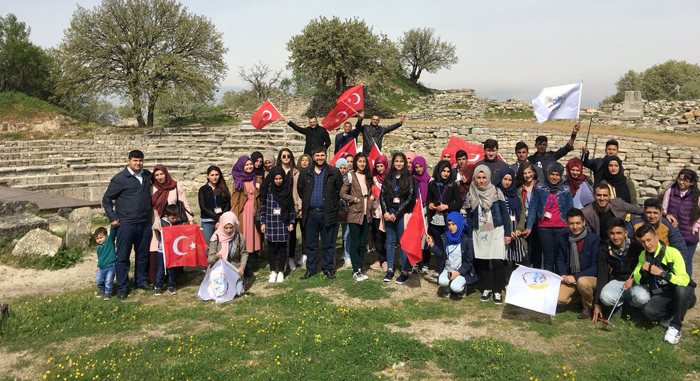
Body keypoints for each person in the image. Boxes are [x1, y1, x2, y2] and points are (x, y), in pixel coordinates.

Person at [101, 150, 153, 300]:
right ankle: (123, 287)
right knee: (123, 256)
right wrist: (112, 217)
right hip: (126, 224)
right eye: (135, 160)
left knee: (142, 254)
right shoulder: (120, 178)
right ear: (129, 161)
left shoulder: (147, 175)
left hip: (144, 222)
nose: (138, 163)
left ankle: (141, 281)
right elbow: (106, 199)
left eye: (140, 161)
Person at [633, 225, 696, 345]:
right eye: (643, 242)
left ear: (656, 237)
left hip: (680, 292)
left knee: (682, 290)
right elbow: (637, 278)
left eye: (649, 240)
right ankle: (672, 315)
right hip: (662, 294)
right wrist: (641, 271)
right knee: (650, 311)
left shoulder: (672, 253)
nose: (647, 245)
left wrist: (662, 274)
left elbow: (684, 280)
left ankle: (676, 327)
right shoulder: (643, 255)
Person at [466, 165, 511, 305]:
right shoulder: (471, 193)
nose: (481, 181)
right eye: (478, 177)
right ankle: (487, 287)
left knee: (498, 261)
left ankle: (497, 290)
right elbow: (468, 216)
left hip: (496, 229)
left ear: (488, 177)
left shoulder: (496, 192)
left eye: (484, 177)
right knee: (483, 261)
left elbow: (505, 213)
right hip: (479, 230)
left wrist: (508, 233)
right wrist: (469, 235)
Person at [298, 147, 343, 280]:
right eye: (317, 155)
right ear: (313, 156)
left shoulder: (333, 172)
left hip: (327, 213)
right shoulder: (305, 172)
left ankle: (327, 268)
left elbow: (338, 190)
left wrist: (331, 203)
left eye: (322, 155)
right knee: (311, 244)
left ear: (325, 156)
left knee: (328, 243)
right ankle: (310, 269)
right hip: (310, 213)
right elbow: (301, 190)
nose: (320, 158)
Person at [591, 217, 646, 323]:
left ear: (625, 233)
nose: (615, 237)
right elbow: (602, 275)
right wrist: (596, 303)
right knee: (605, 297)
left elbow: (643, 271)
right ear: (608, 233)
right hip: (617, 281)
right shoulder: (603, 249)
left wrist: (634, 279)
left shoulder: (637, 247)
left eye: (619, 233)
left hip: (634, 281)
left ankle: (634, 307)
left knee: (641, 297)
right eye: (612, 233)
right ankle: (620, 305)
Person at [522, 162, 574, 272]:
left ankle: (560, 281)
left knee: (560, 257)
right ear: (547, 174)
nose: (554, 177)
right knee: (548, 258)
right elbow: (533, 208)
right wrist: (529, 227)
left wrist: (572, 226)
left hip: (562, 227)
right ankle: (548, 281)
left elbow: (570, 208)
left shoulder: (566, 189)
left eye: (557, 175)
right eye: (552, 174)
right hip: (544, 228)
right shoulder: (540, 188)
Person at [149, 164, 193, 283]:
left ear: (166, 173)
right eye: (156, 175)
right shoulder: (151, 188)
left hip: (173, 224)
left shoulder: (175, 186)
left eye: (161, 174)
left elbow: (184, 203)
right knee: (157, 247)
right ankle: (157, 278)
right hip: (157, 222)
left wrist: (190, 219)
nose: (159, 177)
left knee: (173, 247)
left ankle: (173, 277)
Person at [556, 208, 600, 319]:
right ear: (567, 224)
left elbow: (595, 267)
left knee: (582, 282)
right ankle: (580, 298)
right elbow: (560, 259)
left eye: (578, 223)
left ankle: (587, 307)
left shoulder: (594, 239)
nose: (575, 227)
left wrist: (575, 277)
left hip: (588, 278)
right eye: (571, 223)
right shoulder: (563, 238)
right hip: (571, 276)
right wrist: (563, 274)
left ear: (584, 222)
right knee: (559, 299)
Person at [380, 152, 416, 284]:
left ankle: (404, 271)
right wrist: (385, 212)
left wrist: (397, 213)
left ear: (405, 163)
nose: (399, 163)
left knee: (403, 243)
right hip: (390, 213)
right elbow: (382, 195)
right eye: (396, 161)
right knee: (389, 242)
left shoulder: (410, 178)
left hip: (402, 214)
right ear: (393, 163)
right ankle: (390, 270)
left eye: (401, 161)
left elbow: (410, 198)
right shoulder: (389, 177)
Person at [426, 212, 478, 297]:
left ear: (459, 223)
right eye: (449, 224)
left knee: (456, 287)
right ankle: (447, 287)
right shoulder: (445, 237)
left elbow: (469, 261)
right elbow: (442, 255)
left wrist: (457, 273)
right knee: (442, 281)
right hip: (448, 269)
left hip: (461, 271)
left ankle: (463, 287)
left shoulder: (466, 240)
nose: (451, 227)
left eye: (453, 224)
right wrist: (432, 244)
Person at [340, 152, 374, 281]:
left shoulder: (368, 176)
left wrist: (370, 200)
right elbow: (342, 193)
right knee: (354, 242)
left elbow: (371, 192)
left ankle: (360, 267)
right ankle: (355, 270)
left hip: (367, 213)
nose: (362, 164)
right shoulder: (350, 176)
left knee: (362, 242)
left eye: (364, 161)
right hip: (355, 213)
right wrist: (353, 199)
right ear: (356, 163)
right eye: (359, 161)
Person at [260, 167, 296, 283]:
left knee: (282, 247)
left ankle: (280, 270)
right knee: (270, 247)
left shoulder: (286, 190)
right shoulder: (268, 190)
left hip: (283, 221)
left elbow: (291, 207)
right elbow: (263, 207)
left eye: (280, 178)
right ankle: (272, 270)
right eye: (276, 179)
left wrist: (291, 222)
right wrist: (263, 222)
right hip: (270, 221)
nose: (278, 181)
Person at [426, 160, 461, 276]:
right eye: (443, 171)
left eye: (448, 171)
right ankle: (439, 269)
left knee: (446, 245)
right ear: (439, 171)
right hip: (435, 220)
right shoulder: (432, 184)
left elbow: (459, 203)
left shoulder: (453, 185)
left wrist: (446, 206)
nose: (446, 174)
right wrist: (430, 204)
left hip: (447, 220)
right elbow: (428, 199)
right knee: (438, 245)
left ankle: (446, 268)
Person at [662, 169, 700, 277]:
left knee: (687, 260)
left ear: (692, 182)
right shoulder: (670, 191)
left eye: (685, 180)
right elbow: (663, 209)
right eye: (680, 179)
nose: (681, 182)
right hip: (672, 232)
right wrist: (666, 215)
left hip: (689, 233)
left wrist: (695, 228)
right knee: (670, 260)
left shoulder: (697, 196)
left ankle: (687, 287)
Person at [230, 156, 262, 275]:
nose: (249, 167)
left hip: (254, 213)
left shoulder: (256, 179)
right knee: (244, 240)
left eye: (250, 164)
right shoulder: (238, 181)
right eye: (246, 165)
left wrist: (260, 188)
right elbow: (234, 202)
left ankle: (249, 264)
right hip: (243, 214)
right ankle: (242, 265)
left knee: (253, 238)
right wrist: (234, 217)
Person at [495, 168, 528, 271]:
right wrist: (507, 232)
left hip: (516, 230)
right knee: (503, 258)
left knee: (519, 257)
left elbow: (522, 212)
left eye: (510, 180)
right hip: (502, 230)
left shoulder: (516, 193)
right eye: (505, 179)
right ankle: (504, 281)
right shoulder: (495, 193)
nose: (507, 182)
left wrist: (519, 229)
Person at [277, 148, 301, 271]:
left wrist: (299, 207)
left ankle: (291, 258)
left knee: (291, 234)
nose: (286, 158)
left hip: (292, 206)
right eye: (284, 156)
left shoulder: (296, 172)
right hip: (279, 206)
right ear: (280, 158)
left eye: (288, 156)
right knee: (280, 234)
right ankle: (282, 259)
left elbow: (298, 191)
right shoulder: (276, 171)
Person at [152, 204, 183, 295]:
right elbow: (153, 226)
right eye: (172, 218)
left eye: (176, 218)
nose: (174, 220)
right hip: (162, 250)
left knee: (172, 269)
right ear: (166, 216)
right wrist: (158, 228)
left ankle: (171, 285)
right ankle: (158, 286)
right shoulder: (162, 221)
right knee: (161, 269)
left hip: (173, 250)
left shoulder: (179, 222)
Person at [207, 212, 247, 279]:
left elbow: (244, 253)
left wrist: (242, 267)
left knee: (237, 289)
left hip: (234, 268)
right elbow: (209, 260)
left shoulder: (239, 237)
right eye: (226, 228)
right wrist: (215, 257)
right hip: (217, 269)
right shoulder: (216, 237)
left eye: (231, 227)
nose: (228, 231)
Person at [516, 161, 541, 268]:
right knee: (526, 250)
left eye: (529, 172)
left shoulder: (540, 186)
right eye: (525, 173)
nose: (527, 175)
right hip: (524, 222)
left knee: (537, 249)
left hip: (538, 222)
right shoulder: (519, 189)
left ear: (534, 172)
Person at [198, 166, 231, 247]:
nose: (214, 177)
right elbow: (203, 207)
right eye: (212, 175)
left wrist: (221, 219)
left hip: (222, 221)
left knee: (222, 245)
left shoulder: (223, 188)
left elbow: (228, 204)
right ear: (207, 176)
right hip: (207, 221)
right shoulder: (203, 189)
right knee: (208, 246)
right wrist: (217, 217)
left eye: (216, 175)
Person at [412, 156, 433, 273]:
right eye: (416, 167)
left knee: (425, 238)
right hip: (415, 211)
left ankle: (425, 263)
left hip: (426, 212)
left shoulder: (429, 180)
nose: (419, 169)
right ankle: (415, 262)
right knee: (416, 238)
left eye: (420, 167)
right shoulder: (412, 179)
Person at [369, 155, 389, 271]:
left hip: (387, 211)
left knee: (386, 236)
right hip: (376, 211)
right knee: (377, 235)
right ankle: (381, 258)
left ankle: (385, 258)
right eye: (378, 166)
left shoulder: (390, 177)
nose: (380, 168)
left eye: (382, 165)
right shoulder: (374, 178)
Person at [335, 158, 352, 269]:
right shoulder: (333, 178)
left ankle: (347, 256)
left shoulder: (350, 178)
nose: (342, 170)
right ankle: (332, 257)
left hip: (347, 210)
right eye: (340, 168)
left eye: (344, 168)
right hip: (335, 210)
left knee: (346, 234)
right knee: (334, 234)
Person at [295, 154, 311, 266]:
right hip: (295, 207)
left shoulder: (311, 174)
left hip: (307, 207)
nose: (304, 162)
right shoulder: (295, 173)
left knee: (306, 231)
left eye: (307, 160)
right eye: (303, 160)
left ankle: (305, 254)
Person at [94, 226, 116, 301]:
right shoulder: (98, 248)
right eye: (97, 238)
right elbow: (100, 257)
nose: (99, 240)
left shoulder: (109, 241)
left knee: (108, 280)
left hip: (111, 266)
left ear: (106, 236)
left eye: (101, 237)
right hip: (101, 267)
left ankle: (108, 293)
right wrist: (98, 266)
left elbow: (112, 233)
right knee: (98, 280)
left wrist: (112, 224)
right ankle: (102, 289)